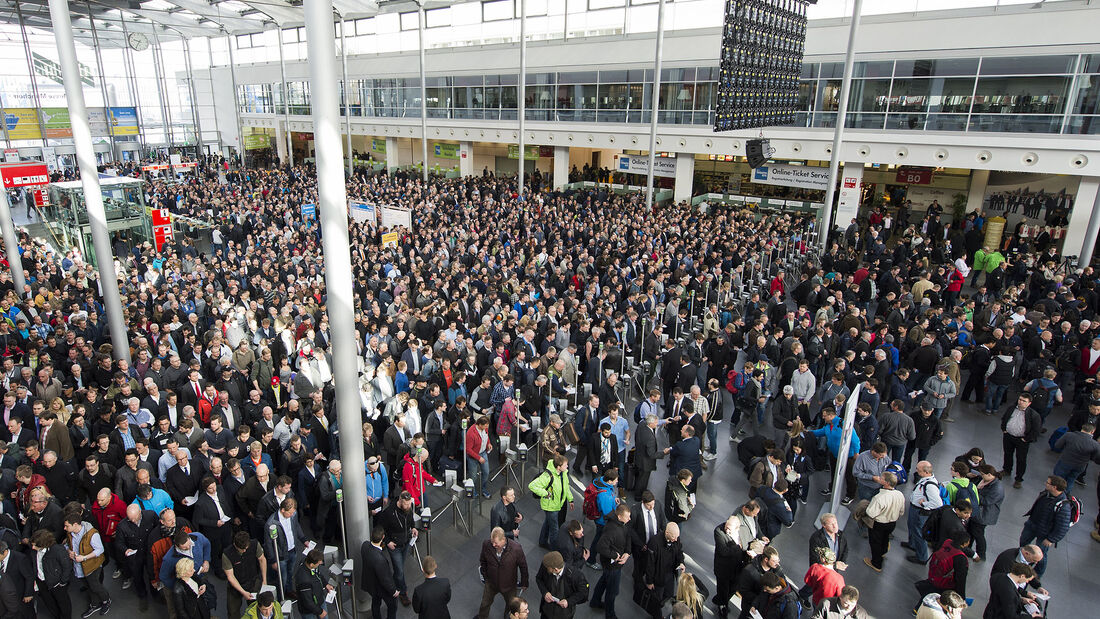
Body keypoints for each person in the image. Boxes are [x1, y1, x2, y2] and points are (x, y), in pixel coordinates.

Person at [1019, 475, 1075, 577]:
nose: (1045, 484)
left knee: (1041, 555)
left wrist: (1051, 539)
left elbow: (1063, 527)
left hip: (1045, 534)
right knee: (1023, 543)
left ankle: (1037, 574)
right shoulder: (1046, 493)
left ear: (1054, 487)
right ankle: (1020, 563)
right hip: (1032, 524)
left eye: (1048, 483)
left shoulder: (1063, 506)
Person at [63, 514, 112, 618]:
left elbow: (100, 550)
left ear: (75, 524)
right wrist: (69, 551)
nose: (65, 528)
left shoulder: (92, 534)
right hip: (79, 567)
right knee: (88, 586)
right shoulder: (70, 533)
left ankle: (106, 600)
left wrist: (84, 558)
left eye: (67, 526)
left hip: (92, 565)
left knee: (95, 586)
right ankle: (94, 604)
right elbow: (67, 545)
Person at [589, 504, 631, 619]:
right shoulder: (612, 530)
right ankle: (610, 614)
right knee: (612, 591)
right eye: (627, 517)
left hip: (612, 564)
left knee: (604, 580)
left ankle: (595, 601)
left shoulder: (622, 524)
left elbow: (628, 535)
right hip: (612, 565)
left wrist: (627, 552)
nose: (629, 519)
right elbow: (600, 547)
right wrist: (615, 556)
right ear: (619, 517)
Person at [477, 526, 529, 619]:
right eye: (492, 542)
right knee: (485, 604)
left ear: (503, 539)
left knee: (510, 607)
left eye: (495, 543)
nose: (493, 545)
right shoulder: (486, 544)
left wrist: (525, 582)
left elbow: (523, 566)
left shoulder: (516, 549)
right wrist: (486, 576)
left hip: (509, 586)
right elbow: (483, 560)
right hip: (491, 583)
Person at [913, 535, 971, 614]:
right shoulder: (960, 557)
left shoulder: (947, 542)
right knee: (939, 596)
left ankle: (918, 609)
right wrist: (962, 596)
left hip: (934, 573)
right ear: (964, 544)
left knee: (930, 591)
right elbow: (961, 578)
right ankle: (920, 610)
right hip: (945, 582)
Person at [379, 490, 418, 606]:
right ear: (400, 501)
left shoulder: (409, 508)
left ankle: (394, 582)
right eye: (405, 504)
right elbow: (381, 529)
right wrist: (387, 542)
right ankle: (402, 592)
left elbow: (410, 520)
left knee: (398, 568)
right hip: (394, 546)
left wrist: (413, 528)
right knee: (400, 570)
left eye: (409, 504)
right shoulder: (389, 513)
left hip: (405, 543)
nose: (407, 506)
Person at [904, 461, 945, 565]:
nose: (916, 471)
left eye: (918, 469)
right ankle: (912, 544)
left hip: (920, 512)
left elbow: (938, 503)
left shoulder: (930, 486)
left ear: (926, 472)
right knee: (912, 526)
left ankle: (922, 557)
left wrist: (924, 504)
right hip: (915, 509)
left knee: (919, 532)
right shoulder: (926, 479)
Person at [1000, 392, 1042, 488]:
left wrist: (1026, 439)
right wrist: (1004, 429)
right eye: (1020, 399)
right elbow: (1004, 418)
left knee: (1021, 459)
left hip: (1022, 440)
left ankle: (1018, 479)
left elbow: (1036, 430)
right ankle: (1006, 469)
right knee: (1007, 453)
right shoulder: (1011, 408)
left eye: (1024, 401)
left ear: (1029, 403)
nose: (1020, 402)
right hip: (1008, 436)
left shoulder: (1033, 415)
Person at [223, 530, 268, 619]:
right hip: (235, 585)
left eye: (246, 548)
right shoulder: (227, 554)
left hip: (253, 581)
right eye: (242, 549)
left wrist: (264, 579)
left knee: (256, 608)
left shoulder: (254, 544)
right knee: (233, 611)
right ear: (235, 545)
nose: (244, 550)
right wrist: (243, 592)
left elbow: (262, 559)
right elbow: (230, 576)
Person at [535, 551, 589, 619]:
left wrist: (568, 601)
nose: (545, 568)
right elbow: (539, 579)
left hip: (565, 615)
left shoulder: (576, 575)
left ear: (555, 569)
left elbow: (583, 593)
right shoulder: (546, 565)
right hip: (546, 611)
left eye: (548, 568)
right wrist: (545, 592)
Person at [1052, 423, 1100, 497]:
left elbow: (1057, 445)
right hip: (1080, 466)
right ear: (1092, 431)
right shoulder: (1095, 445)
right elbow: (1095, 458)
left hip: (1065, 462)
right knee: (1071, 480)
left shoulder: (1069, 435)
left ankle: (1052, 495)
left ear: (1082, 428)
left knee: (1058, 479)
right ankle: (1063, 497)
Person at [641, 522, 685, 605]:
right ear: (667, 532)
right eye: (673, 536)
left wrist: (681, 562)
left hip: (670, 575)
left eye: (677, 537)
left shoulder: (676, 539)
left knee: (668, 595)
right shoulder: (654, 542)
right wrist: (649, 581)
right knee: (656, 599)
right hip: (658, 577)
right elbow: (650, 564)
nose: (675, 539)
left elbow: (679, 552)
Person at [361, 527, 399, 619]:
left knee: (375, 603)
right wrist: (394, 591)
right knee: (392, 606)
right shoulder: (379, 560)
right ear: (383, 537)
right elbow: (385, 579)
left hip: (371, 584)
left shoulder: (365, 546)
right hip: (381, 588)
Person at [634, 414, 660, 502]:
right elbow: (652, 454)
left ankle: (637, 492)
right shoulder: (650, 438)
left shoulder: (641, 425)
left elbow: (636, 435)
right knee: (643, 480)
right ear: (650, 424)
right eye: (656, 422)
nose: (657, 424)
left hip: (638, 457)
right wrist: (663, 453)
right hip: (646, 463)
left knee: (639, 477)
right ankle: (638, 496)